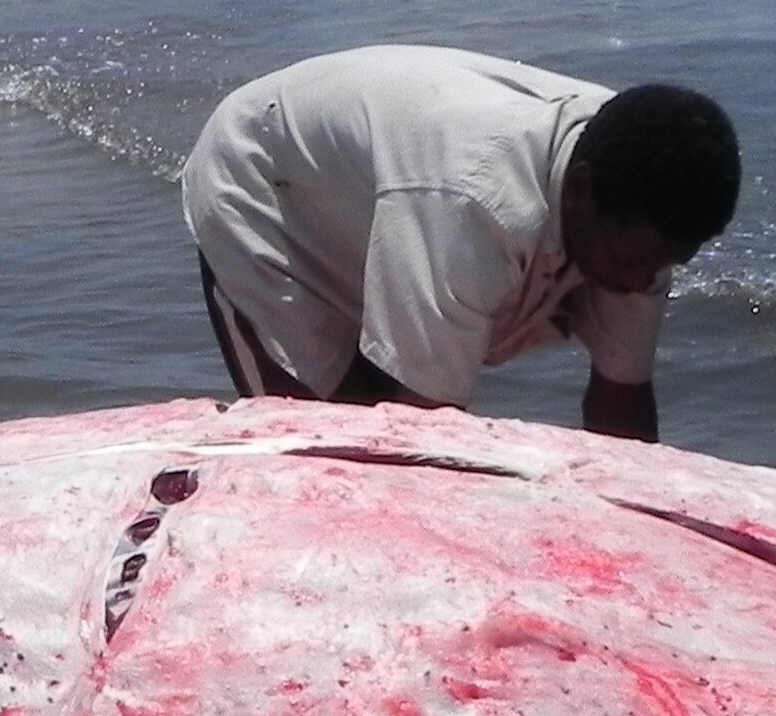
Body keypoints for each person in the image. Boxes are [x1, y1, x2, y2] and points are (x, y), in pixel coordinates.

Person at [181, 47, 740, 438]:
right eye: (636, 261)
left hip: (386, 190)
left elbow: (623, 408)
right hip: (269, 185)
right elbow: (421, 428)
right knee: (320, 435)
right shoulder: (473, 200)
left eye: (663, 267)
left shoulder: (645, 194)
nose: (642, 281)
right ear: (583, 190)